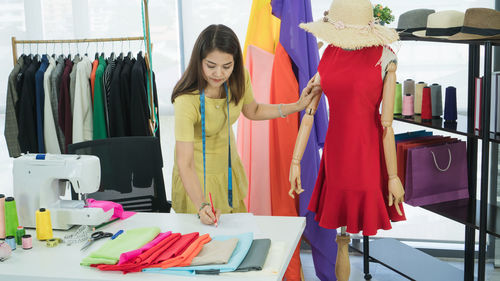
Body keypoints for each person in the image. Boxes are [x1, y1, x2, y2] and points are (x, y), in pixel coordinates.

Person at [287, 0, 406, 279]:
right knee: (339, 231)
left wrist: (392, 176)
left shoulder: (385, 58)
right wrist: (295, 161)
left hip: (366, 151)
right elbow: (309, 112)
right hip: (336, 152)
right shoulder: (328, 55)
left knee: (353, 224)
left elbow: (387, 125)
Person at [171, 24, 321, 225]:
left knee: (234, 241)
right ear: (199, 61)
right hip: (196, 180)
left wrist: (297, 106)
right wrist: (201, 205)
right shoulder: (186, 100)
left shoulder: (238, 78)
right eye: (211, 65)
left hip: (228, 174)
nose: (219, 73)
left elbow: (253, 110)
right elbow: (185, 163)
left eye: (227, 66)